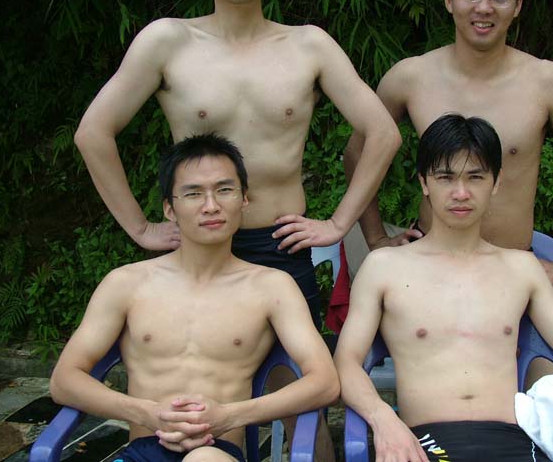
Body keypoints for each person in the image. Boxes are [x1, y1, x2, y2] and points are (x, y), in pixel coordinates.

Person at [74, 0, 400, 325]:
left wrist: (338, 223)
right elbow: (93, 133)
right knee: (202, 362)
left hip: (280, 243)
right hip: (199, 247)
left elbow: (383, 133)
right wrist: (140, 228)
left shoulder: (309, 45)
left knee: (296, 365)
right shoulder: (167, 42)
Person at [334, 114, 553, 462]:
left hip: (513, 441)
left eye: (475, 177)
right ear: (424, 182)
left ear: (495, 183)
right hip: (427, 442)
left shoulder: (521, 268)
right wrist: (383, 418)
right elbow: (346, 361)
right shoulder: (385, 267)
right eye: (445, 178)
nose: (461, 193)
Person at [50, 133, 339, 462]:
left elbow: (325, 382)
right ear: (169, 209)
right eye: (193, 194)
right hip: (143, 451)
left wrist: (229, 416)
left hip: (216, 452)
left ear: (244, 199)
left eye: (224, 190)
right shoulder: (127, 284)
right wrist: (147, 413)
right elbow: (64, 380)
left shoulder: (272, 288)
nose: (211, 206)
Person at [344, 0, 553, 289]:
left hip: (508, 273)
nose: (484, 8)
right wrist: (376, 238)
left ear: (518, 4)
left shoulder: (547, 82)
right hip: (426, 268)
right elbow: (357, 153)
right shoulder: (410, 77)